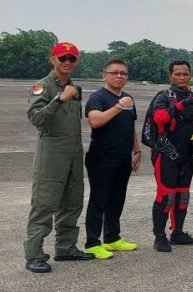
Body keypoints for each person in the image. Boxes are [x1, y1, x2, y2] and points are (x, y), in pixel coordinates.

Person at [25, 41, 94, 273]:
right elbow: (36, 118)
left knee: (72, 202)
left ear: (77, 61)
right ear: (52, 59)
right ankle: (34, 255)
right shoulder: (42, 87)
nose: (67, 62)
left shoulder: (74, 88)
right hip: (52, 154)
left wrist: (68, 95)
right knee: (45, 204)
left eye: (71, 59)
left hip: (74, 153)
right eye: (62, 58)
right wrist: (59, 99)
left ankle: (65, 248)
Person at [82, 58, 140, 259]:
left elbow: (130, 127)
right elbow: (95, 121)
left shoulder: (128, 98)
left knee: (117, 198)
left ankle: (112, 238)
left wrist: (136, 151)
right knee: (99, 200)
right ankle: (92, 243)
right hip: (101, 157)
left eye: (123, 73)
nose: (119, 76)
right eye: (114, 72)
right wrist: (118, 106)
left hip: (123, 157)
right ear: (104, 75)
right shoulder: (98, 98)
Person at [147, 60, 193, 252]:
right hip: (166, 153)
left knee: (182, 195)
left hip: (186, 154)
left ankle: (177, 233)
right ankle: (160, 236)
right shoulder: (164, 96)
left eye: (185, 74)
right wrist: (180, 105)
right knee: (165, 195)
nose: (181, 77)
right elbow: (159, 118)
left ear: (190, 75)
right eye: (177, 74)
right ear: (170, 76)